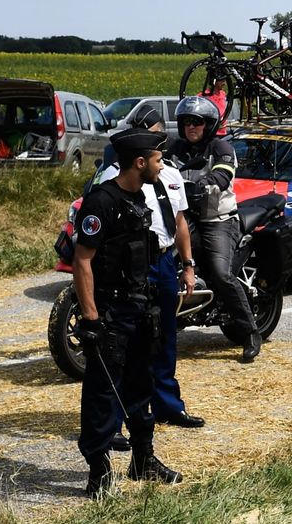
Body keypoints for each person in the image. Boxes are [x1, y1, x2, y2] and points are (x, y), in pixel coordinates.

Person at [73, 128, 184, 497]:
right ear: (140, 162)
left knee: (142, 385)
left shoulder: (143, 197)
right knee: (104, 393)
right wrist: (90, 319)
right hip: (111, 312)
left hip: (140, 308)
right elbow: (83, 261)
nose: (161, 165)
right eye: (157, 159)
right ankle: (99, 471)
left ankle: (143, 460)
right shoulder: (101, 202)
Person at [93, 104, 204, 437]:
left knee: (164, 336)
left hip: (165, 261)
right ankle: (114, 423)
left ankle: (168, 406)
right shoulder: (114, 177)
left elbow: (180, 222)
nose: (159, 145)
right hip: (129, 266)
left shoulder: (168, 174)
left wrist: (187, 265)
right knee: (121, 344)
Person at [167, 95, 258, 362]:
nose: (191, 127)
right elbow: (158, 166)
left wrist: (207, 182)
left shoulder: (221, 147)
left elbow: (223, 172)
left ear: (208, 124)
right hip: (185, 217)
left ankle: (251, 332)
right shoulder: (176, 149)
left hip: (218, 220)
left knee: (221, 274)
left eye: (196, 122)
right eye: (186, 123)